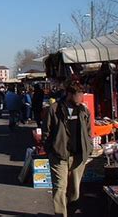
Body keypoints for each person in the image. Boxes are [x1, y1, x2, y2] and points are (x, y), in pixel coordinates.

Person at [43, 79, 93, 217]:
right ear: (69, 94)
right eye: (78, 95)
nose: (80, 98)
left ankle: (71, 213)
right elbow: (46, 132)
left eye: (82, 94)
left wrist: (88, 148)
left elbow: (89, 131)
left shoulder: (83, 110)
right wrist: (51, 150)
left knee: (75, 190)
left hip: (78, 155)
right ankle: (60, 214)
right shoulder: (54, 109)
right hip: (59, 155)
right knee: (59, 187)